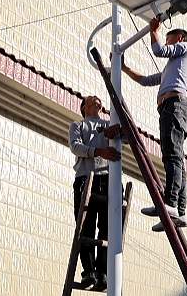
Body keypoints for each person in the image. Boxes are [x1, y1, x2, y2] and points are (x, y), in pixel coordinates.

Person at [121, 16, 187, 232]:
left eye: (168, 37)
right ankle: (179, 210)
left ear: (179, 38)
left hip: (174, 106)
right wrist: (124, 68)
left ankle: (170, 203)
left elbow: (159, 50)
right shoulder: (171, 68)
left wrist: (153, 30)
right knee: (176, 157)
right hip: (171, 107)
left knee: (172, 156)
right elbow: (145, 80)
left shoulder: (185, 47)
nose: (166, 39)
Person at [68, 95, 122, 290]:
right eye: (90, 98)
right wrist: (99, 151)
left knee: (108, 228)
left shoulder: (110, 124)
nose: (95, 98)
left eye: (98, 97)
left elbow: (126, 136)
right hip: (86, 176)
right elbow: (76, 146)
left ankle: (103, 272)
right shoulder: (78, 125)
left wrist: (119, 129)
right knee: (86, 225)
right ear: (83, 107)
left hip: (109, 178)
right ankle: (89, 271)